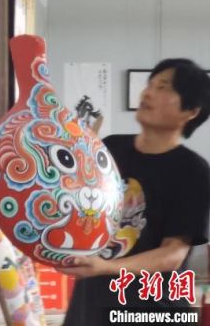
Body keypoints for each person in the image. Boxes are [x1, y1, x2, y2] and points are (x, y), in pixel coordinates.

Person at [60, 58, 210, 325]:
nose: (148, 93)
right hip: (90, 306)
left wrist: (107, 267)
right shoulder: (109, 149)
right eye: (150, 84)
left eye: (163, 87)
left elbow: (172, 254)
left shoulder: (192, 170)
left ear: (191, 111)